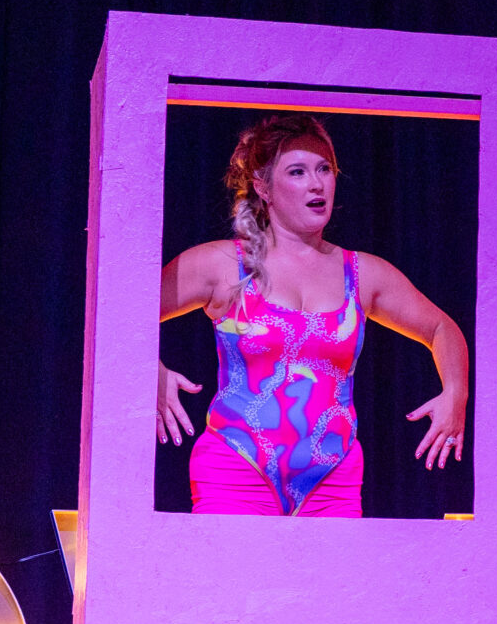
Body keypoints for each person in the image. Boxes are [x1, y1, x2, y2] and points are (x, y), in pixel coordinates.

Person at [158, 113, 468, 516]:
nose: (317, 183)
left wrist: (455, 393)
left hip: (333, 479)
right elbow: (121, 316)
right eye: (297, 172)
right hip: (236, 470)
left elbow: (442, 327)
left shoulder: (364, 273)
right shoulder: (221, 264)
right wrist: (151, 371)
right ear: (263, 187)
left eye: (324, 169)